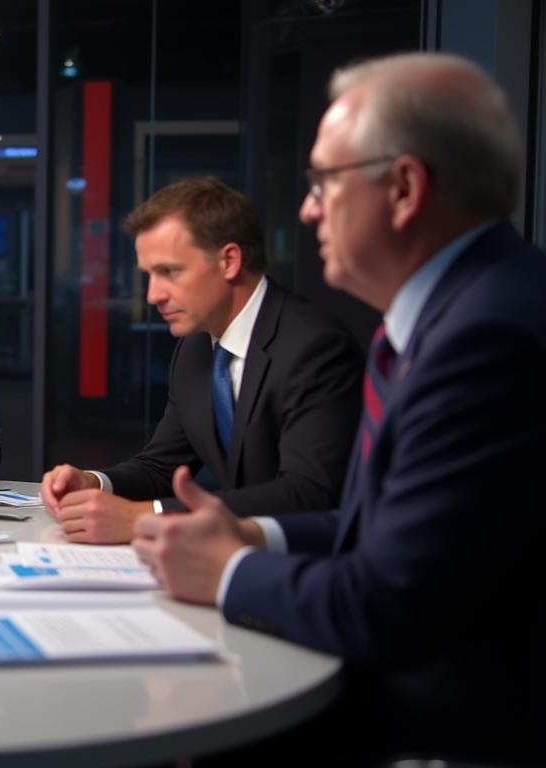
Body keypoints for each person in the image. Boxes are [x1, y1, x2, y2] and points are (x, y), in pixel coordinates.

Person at [133, 53, 545, 763]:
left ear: (404, 188)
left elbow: (390, 604)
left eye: (325, 181)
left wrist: (228, 571)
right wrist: (251, 535)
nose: (306, 208)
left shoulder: (485, 338)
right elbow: (374, 531)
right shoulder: (449, 314)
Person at [41, 178, 362, 544]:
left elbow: (308, 494)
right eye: (148, 275)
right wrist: (95, 482)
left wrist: (145, 516)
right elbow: (162, 466)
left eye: (170, 272)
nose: (153, 295)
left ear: (229, 261)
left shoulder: (314, 347)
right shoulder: (195, 348)